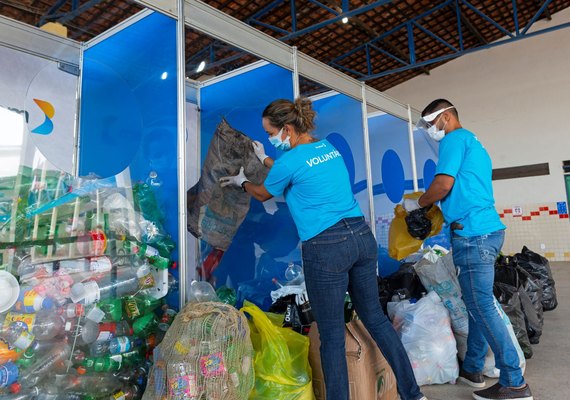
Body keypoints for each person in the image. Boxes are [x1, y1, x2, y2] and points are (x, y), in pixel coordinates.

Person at [220, 97, 426, 400]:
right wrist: (265, 160)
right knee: (376, 319)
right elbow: (296, 170)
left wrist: (242, 182)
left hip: (327, 246)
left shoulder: (289, 161)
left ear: (287, 129)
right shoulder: (327, 148)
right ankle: (414, 394)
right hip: (361, 237)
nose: (269, 139)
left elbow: (264, 193)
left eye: (269, 133)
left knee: (330, 335)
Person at [404, 99, 533, 400]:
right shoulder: (473, 141)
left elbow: (444, 184)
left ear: (446, 117)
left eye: (430, 123)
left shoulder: (454, 139)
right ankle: (473, 367)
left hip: (473, 234)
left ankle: (514, 382)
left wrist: (419, 203)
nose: (430, 130)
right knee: (477, 304)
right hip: (485, 230)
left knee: (481, 306)